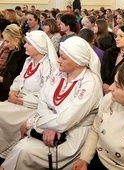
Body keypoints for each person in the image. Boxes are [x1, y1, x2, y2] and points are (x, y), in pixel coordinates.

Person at [0, 36, 103, 170]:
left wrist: (33, 123)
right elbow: (43, 99)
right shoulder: (60, 73)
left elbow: (66, 119)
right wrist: (48, 126)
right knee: (21, 147)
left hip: (72, 134)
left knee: (23, 150)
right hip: (48, 126)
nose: (58, 61)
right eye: (59, 56)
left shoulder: (90, 83)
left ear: (78, 62)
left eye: (63, 58)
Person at [0, 30, 58, 163]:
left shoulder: (48, 67)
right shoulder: (29, 60)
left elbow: (45, 97)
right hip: (19, 99)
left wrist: (20, 99)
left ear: (39, 47)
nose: (25, 45)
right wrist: (12, 91)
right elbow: (20, 79)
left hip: (32, 107)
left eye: (28, 44)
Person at [0, 24, 28, 101]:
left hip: (13, 90)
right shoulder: (14, 50)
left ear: (16, 40)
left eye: (7, 41)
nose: (5, 44)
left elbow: (21, 79)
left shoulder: (25, 54)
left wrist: (2, 79)